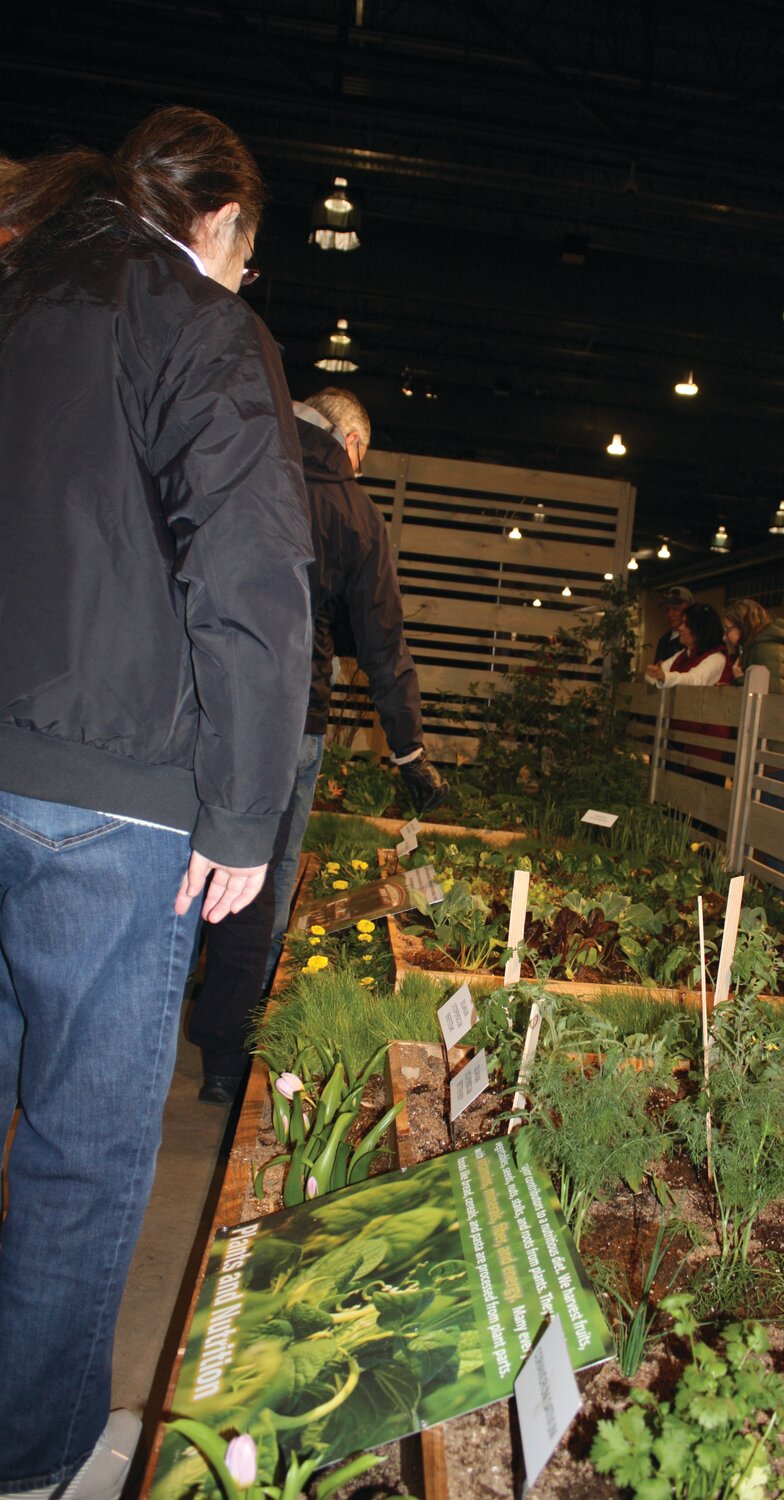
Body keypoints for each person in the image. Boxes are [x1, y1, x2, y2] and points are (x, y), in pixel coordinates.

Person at [0, 109, 313, 1498]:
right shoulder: (196, 322)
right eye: (252, 249)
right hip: (113, 804)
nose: (248, 274)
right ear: (218, 223)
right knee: (83, 1146)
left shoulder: (19, 299)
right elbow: (246, 565)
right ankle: (29, 1456)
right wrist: (242, 812)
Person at [189, 388, 448, 1102]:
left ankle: (150, 1020)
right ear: (352, 442)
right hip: (290, 719)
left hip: (200, 700)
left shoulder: (241, 451)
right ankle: (225, 1057)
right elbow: (383, 641)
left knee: (180, 862)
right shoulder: (354, 511)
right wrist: (409, 751)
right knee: (260, 884)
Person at [723, 599, 784, 873]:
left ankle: (779, 893)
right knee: (776, 825)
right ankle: (777, 890)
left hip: (777, 752)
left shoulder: (765, 649)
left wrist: (738, 680)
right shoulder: (763, 646)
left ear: (743, 624)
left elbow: (768, 698)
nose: (726, 637)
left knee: (773, 828)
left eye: (728, 629)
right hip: (783, 748)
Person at [645, 603, 735, 789]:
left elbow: (694, 680)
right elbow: (652, 674)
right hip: (682, 740)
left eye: (686, 624)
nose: (680, 628)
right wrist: (660, 677)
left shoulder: (717, 658)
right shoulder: (683, 654)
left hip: (706, 745)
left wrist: (663, 678)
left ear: (699, 629)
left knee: (698, 796)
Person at [652, 585, 694, 665]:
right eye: (667, 610)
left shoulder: (693, 640)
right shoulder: (663, 640)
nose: (670, 614)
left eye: (676, 609)